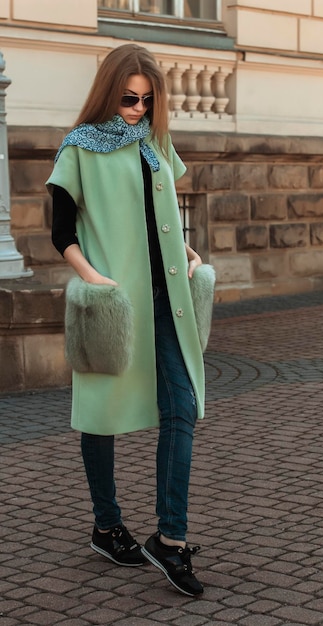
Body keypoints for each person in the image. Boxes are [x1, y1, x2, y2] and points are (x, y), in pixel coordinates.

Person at [46, 43, 206, 597]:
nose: (137, 108)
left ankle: (170, 538)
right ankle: (106, 523)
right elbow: (61, 234)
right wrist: (95, 280)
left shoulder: (155, 142)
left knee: (181, 407)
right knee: (102, 407)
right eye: (128, 98)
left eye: (146, 99)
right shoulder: (79, 149)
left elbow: (162, 214)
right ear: (107, 92)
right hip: (113, 301)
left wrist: (185, 252)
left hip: (168, 298)